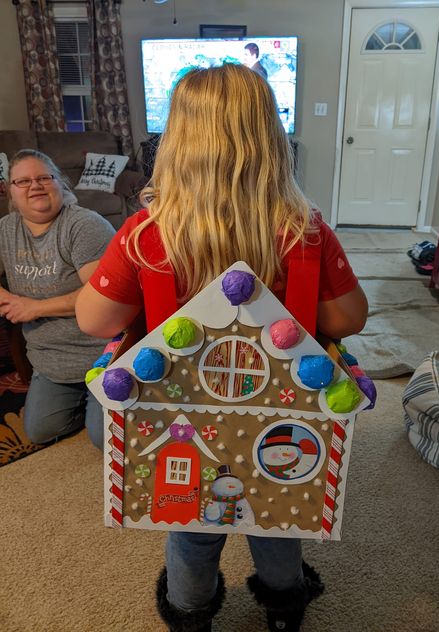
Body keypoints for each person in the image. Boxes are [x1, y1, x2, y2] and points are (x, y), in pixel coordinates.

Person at [76, 64, 368, 632]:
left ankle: (189, 614)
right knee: (279, 514)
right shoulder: (304, 230)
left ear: (177, 142)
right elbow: (349, 318)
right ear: (270, 139)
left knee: (189, 522)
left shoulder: (144, 233)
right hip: (280, 418)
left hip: (181, 414)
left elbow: (93, 319)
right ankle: (284, 608)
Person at [0, 149, 115, 450]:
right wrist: (7, 299)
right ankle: (87, 402)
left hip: (102, 354)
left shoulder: (84, 225)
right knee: (39, 431)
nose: (34, 186)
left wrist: (34, 307)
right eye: (22, 181)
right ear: (10, 192)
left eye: (43, 177)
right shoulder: (6, 230)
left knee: (105, 438)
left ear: (60, 184)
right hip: (49, 360)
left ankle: (104, 398)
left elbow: (101, 295)